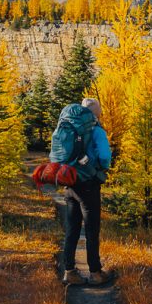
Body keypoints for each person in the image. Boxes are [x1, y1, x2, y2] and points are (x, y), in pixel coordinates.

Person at [62, 97, 113, 286]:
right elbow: (105, 156)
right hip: (88, 185)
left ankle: (69, 271)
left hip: (70, 183)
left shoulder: (70, 128)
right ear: (97, 113)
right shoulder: (96, 130)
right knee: (91, 230)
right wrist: (100, 168)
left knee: (72, 229)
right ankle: (95, 273)